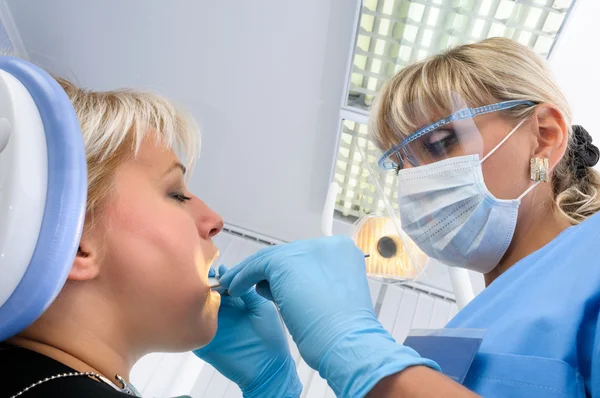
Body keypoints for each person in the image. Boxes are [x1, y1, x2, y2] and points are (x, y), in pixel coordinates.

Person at [216, 37, 600, 397]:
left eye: (440, 142)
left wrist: (358, 350)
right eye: (402, 167)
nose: (418, 181)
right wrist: (274, 386)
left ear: (545, 135)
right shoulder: (450, 341)